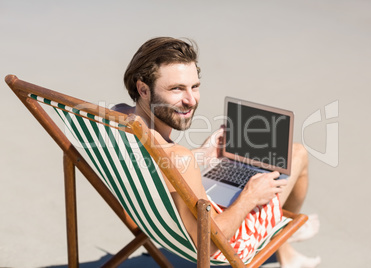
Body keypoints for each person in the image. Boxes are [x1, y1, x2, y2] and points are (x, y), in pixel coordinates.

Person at [114, 37, 321, 268]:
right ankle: (283, 242)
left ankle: (286, 248)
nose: (191, 100)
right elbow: (209, 244)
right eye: (176, 89)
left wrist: (202, 154)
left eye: (195, 86)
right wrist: (250, 196)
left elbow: (157, 165)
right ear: (143, 89)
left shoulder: (117, 120)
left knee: (263, 164)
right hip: (228, 243)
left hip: (163, 225)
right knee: (297, 154)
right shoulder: (178, 158)